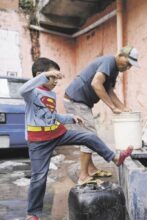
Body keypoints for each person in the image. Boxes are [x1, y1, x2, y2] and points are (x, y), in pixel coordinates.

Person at [19, 58, 132, 220]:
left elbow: (52, 115)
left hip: (57, 133)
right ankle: (32, 214)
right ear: (40, 75)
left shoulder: (50, 93)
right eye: (53, 78)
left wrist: (70, 118)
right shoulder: (31, 93)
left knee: (88, 136)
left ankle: (114, 157)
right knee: (39, 177)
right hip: (39, 141)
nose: (56, 82)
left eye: (57, 79)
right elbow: (21, 90)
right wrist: (45, 75)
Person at [64, 45, 139, 184]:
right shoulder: (109, 61)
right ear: (120, 55)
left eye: (130, 66)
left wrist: (123, 108)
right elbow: (96, 83)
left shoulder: (114, 69)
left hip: (81, 101)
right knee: (89, 136)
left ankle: (91, 169)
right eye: (127, 63)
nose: (128, 67)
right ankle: (83, 176)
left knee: (88, 135)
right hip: (75, 100)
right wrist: (111, 107)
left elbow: (109, 91)